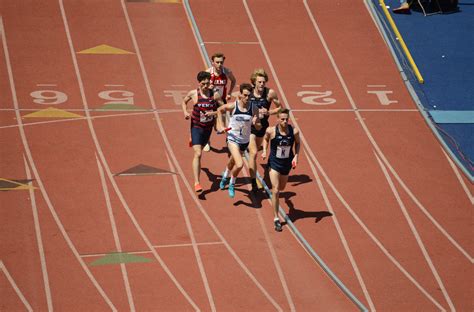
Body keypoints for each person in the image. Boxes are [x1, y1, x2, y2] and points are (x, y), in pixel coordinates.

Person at [182, 71, 224, 193]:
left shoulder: (214, 95)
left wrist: (214, 113)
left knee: (202, 146)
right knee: (198, 153)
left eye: (207, 83)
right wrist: (185, 112)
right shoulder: (194, 94)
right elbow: (184, 102)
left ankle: (195, 141)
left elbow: (222, 108)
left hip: (208, 128)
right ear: (199, 83)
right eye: (203, 84)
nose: (206, 86)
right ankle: (197, 183)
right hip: (196, 126)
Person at [217, 83, 261, 198]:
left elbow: (259, 126)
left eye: (249, 96)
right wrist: (221, 126)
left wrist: (256, 124)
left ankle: (225, 176)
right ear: (240, 94)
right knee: (240, 163)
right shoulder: (234, 106)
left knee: (232, 161)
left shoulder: (254, 109)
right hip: (232, 138)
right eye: (245, 95)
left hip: (244, 141)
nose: (247, 98)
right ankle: (232, 182)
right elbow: (219, 110)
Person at [261, 108, 300, 232]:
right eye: (282, 119)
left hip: (286, 164)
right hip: (274, 163)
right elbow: (265, 139)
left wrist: (296, 155)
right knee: (276, 190)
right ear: (277, 119)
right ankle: (276, 219)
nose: (284, 121)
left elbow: (298, 143)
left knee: (282, 188)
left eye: (286, 119)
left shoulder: (294, 131)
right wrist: (264, 151)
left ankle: (281, 201)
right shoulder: (271, 131)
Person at [248, 69, 281, 193]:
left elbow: (280, 108)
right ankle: (253, 182)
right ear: (254, 83)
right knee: (253, 153)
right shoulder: (248, 93)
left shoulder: (270, 93)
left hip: (262, 127)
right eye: (259, 82)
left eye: (263, 82)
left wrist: (269, 112)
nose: (262, 84)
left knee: (257, 148)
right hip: (250, 127)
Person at [203, 52, 237, 152]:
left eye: (221, 62)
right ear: (212, 62)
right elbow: (201, 86)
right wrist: (208, 87)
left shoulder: (226, 72)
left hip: (221, 100)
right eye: (217, 62)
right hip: (210, 100)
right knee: (209, 121)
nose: (219, 64)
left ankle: (230, 141)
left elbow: (234, 81)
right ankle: (206, 141)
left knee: (221, 124)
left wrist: (230, 93)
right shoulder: (208, 73)